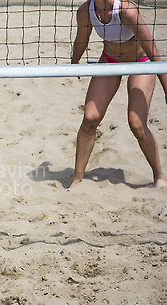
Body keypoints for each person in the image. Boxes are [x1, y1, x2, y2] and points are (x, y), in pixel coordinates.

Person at [70, 0, 167, 188]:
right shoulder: (85, 11)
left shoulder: (127, 11)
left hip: (142, 62)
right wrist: (74, 63)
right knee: (90, 118)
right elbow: (82, 39)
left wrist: (166, 87)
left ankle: (159, 175)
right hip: (110, 60)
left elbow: (153, 52)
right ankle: (77, 179)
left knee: (136, 123)